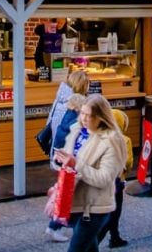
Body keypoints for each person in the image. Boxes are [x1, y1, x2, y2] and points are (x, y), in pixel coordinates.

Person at [54, 94, 126, 252]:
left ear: (101, 117)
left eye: (89, 115)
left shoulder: (111, 141)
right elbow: (70, 165)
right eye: (82, 113)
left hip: (95, 207)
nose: (84, 119)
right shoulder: (77, 131)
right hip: (77, 202)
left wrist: (76, 164)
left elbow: (105, 178)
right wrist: (59, 185)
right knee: (90, 248)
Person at [46, 93, 86, 243]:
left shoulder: (65, 116)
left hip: (64, 163)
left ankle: (57, 226)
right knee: (68, 199)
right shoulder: (74, 123)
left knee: (66, 197)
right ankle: (55, 227)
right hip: (70, 165)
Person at [96, 109, 133, 249]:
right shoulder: (124, 140)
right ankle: (95, 242)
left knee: (108, 212)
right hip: (116, 182)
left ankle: (115, 236)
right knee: (113, 213)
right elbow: (128, 163)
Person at [49, 70, 90, 147]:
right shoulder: (76, 106)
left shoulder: (60, 99)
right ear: (83, 86)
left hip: (55, 146)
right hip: (66, 151)